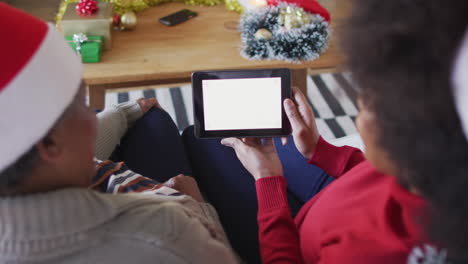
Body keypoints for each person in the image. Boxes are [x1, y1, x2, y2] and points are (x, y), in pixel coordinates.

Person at [182, 0, 468, 263]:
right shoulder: (431, 174)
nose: (362, 101)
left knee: (198, 138)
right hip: (333, 198)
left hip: (289, 238)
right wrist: (320, 150)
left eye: (375, 101)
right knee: (210, 138)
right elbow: (373, 171)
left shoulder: (369, 253)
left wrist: (267, 181)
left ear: (422, 144)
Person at [0, 3, 239, 263]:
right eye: (84, 103)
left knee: (151, 117)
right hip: (180, 212)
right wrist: (196, 206)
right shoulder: (164, 234)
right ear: (48, 143)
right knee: (195, 137)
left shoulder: (23, 163)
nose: (94, 115)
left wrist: (122, 114)